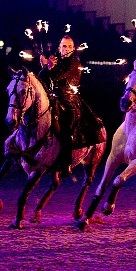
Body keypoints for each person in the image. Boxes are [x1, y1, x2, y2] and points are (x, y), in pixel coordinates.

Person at [39, 35, 101, 177]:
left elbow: (58, 77)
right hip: (51, 98)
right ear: (59, 48)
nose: (66, 49)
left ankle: (66, 162)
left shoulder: (74, 62)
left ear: (73, 49)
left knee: (66, 127)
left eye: (69, 46)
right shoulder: (54, 60)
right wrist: (44, 68)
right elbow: (40, 79)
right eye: (64, 46)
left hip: (68, 99)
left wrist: (49, 67)